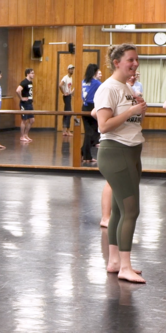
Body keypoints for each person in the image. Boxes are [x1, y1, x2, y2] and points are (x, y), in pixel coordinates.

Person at [94, 43, 147, 283]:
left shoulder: (126, 87)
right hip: (117, 153)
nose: (135, 64)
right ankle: (125, 266)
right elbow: (104, 125)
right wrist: (131, 110)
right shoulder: (109, 88)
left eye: (136, 60)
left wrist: (139, 107)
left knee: (119, 210)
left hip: (132, 152)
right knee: (131, 211)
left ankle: (115, 261)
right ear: (117, 62)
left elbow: (132, 121)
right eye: (130, 60)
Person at [81, 63, 101, 163]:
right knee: (95, 132)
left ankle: (83, 153)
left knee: (89, 133)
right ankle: (86, 156)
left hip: (84, 107)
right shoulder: (96, 83)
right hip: (92, 107)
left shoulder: (83, 81)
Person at [16, 68, 35, 142]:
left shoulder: (30, 82)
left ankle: (26, 134)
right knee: (24, 120)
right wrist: (21, 98)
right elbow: (18, 90)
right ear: (28, 74)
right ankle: (22, 136)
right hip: (24, 104)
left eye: (33, 73)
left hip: (29, 103)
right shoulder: (24, 82)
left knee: (32, 120)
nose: (33, 74)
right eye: (32, 73)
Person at [59, 64, 75, 136]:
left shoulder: (70, 78)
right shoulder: (65, 78)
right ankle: (67, 130)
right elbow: (60, 85)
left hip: (69, 96)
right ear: (68, 70)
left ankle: (64, 130)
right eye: (70, 69)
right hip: (66, 96)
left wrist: (71, 92)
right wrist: (63, 93)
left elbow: (68, 87)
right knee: (69, 113)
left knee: (66, 113)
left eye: (72, 69)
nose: (72, 70)